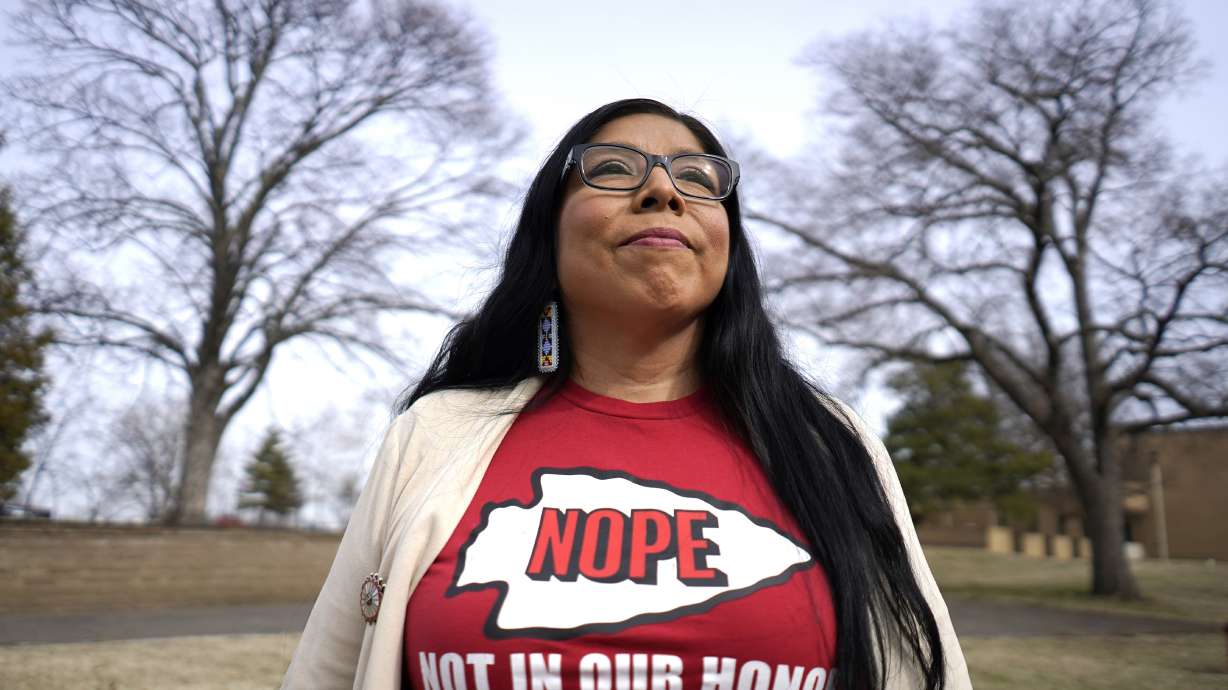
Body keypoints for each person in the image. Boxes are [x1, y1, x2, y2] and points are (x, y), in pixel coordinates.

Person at [280, 98, 973, 690]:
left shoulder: (828, 442)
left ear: (727, 244)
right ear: (547, 235)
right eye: (613, 170)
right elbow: (329, 671)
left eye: (698, 180)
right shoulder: (433, 435)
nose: (663, 191)